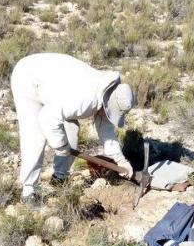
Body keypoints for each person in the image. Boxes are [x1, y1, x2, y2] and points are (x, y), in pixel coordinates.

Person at [11, 53, 135, 205]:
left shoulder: (109, 94)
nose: (109, 115)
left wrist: (120, 160)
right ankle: (28, 191)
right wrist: (60, 145)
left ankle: (59, 177)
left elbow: (106, 130)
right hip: (29, 78)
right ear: (105, 103)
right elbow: (47, 117)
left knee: (72, 133)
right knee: (35, 135)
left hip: (57, 88)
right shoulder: (85, 98)